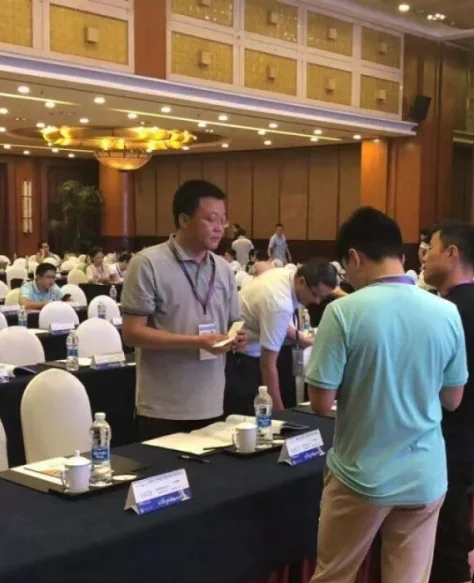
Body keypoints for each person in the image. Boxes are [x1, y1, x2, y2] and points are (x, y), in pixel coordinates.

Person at [295, 207, 466, 583]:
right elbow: (453, 399)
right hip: (425, 474)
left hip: (361, 474)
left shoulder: (343, 312)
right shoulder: (446, 311)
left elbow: (321, 403)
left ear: (354, 257)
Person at [415, 221, 474, 583]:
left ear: (453, 253)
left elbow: (447, 390)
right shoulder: (466, 302)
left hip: (450, 439)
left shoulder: (452, 310)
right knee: (458, 530)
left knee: (450, 540)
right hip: (461, 436)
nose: (424, 256)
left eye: (431, 249)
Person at [121, 179, 245, 441]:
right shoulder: (147, 263)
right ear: (184, 220)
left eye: (223, 220)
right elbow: (132, 334)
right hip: (164, 406)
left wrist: (235, 339)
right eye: (210, 219)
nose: (218, 228)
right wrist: (196, 341)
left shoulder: (223, 269)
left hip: (212, 400)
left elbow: (233, 323)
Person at [224, 258, 337, 415]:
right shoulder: (279, 302)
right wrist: (281, 416)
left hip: (248, 348)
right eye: (316, 295)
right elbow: (267, 366)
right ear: (302, 282)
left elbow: (279, 323)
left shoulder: (287, 275)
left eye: (322, 298)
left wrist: (301, 339)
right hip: (241, 358)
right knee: (251, 415)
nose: (317, 302)